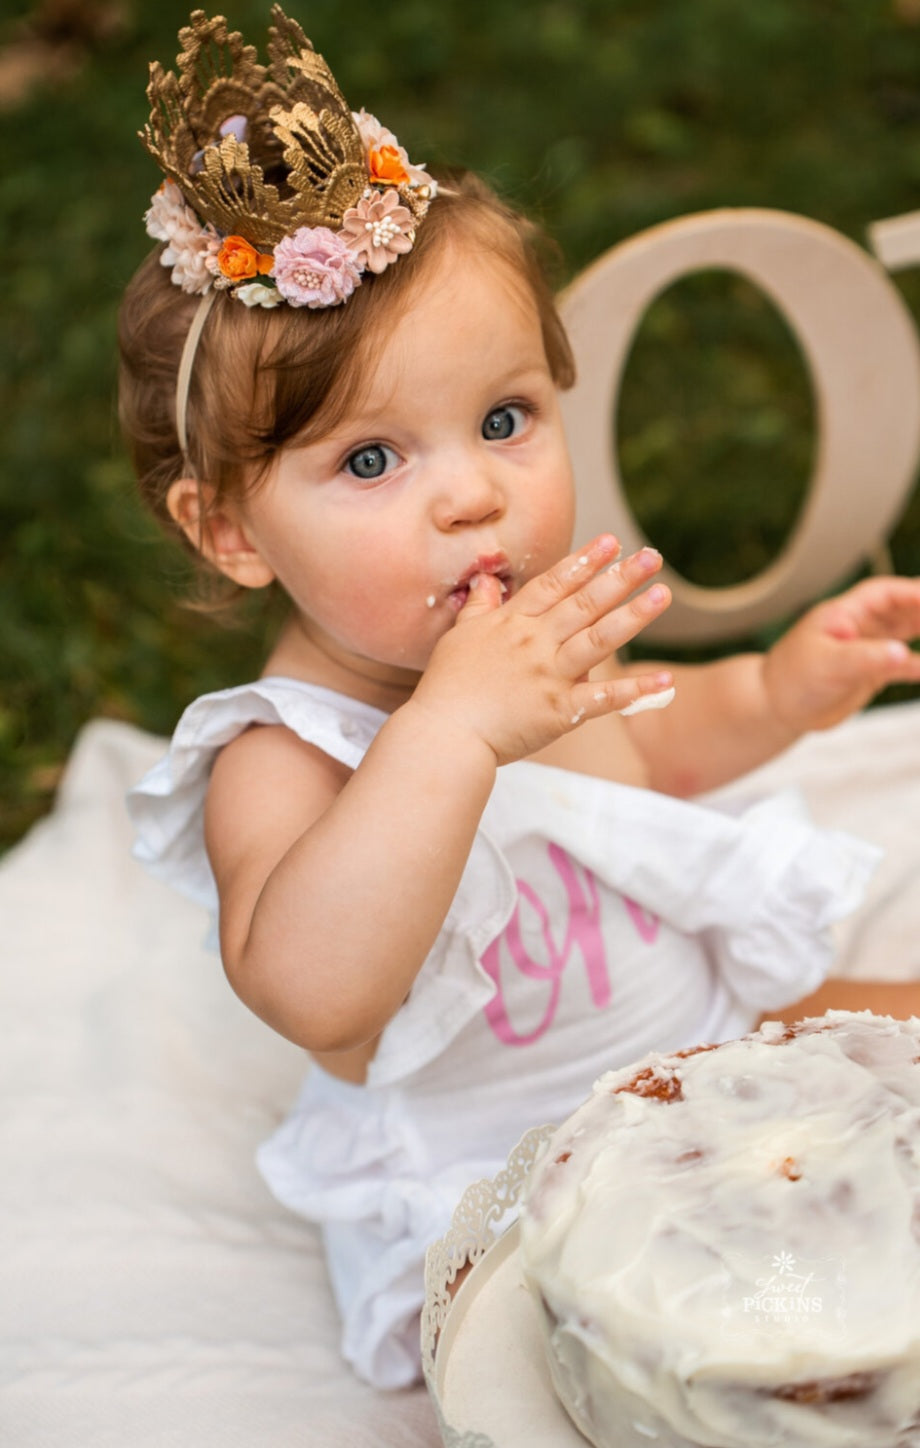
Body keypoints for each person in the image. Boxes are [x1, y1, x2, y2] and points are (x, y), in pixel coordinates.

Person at [124, 7, 920, 1390]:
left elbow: (657, 747)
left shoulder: (533, 641)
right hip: (508, 1182)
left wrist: (784, 687)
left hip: (699, 1054)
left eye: (503, 420)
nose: (474, 493)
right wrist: (450, 731)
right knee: (601, 1365)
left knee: (892, 1028)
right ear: (233, 532)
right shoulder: (282, 757)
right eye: (371, 461)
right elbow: (317, 991)